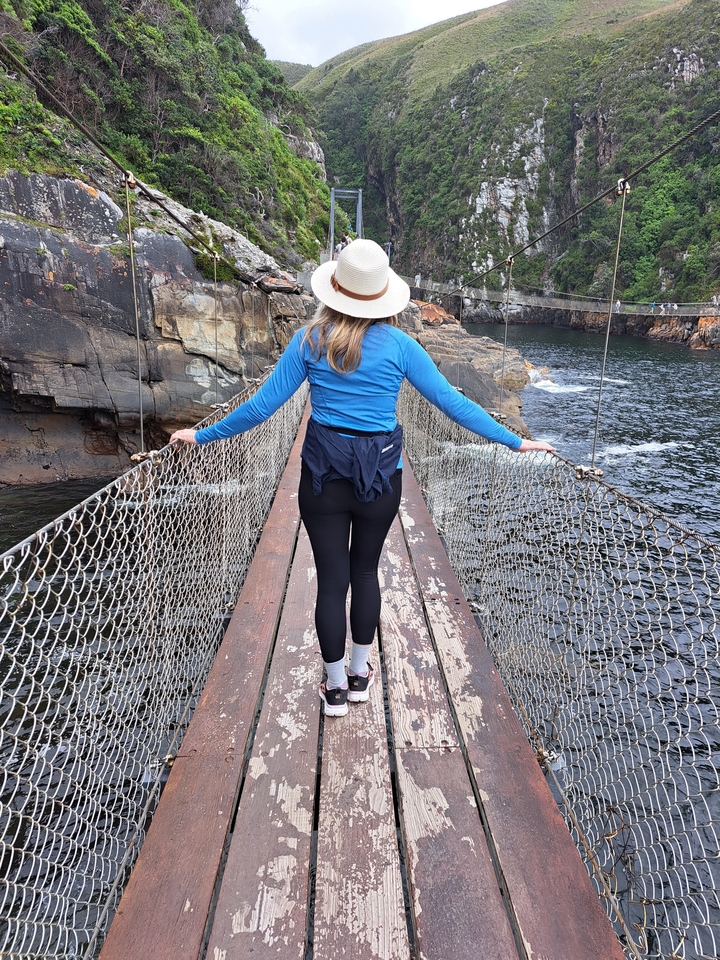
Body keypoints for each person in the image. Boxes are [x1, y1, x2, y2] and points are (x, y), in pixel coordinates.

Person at [171, 239, 555, 717]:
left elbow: (262, 407)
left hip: (322, 479)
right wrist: (516, 442)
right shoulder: (401, 346)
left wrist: (202, 435)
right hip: (380, 481)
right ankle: (359, 676)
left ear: (334, 288)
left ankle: (333, 689)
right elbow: (453, 405)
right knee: (365, 573)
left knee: (331, 583)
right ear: (382, 295)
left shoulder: (310, 340)